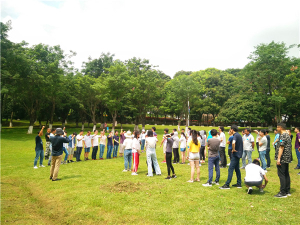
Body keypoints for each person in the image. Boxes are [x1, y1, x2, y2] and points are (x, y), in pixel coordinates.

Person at [220, 125, 243, 189]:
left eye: (230, 129)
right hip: (238, 154)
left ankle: (227, 184)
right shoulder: (239, 135)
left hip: (235, 155)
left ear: (232, 129)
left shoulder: (235, 135)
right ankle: (239, 183)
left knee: (230, 169)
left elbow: (233, 143)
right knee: (237, 169)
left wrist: (233, 149)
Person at [274, 123, 292, 198]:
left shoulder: (283, 135)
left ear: (280, 128)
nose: (276, 129)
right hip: (287, 158)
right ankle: (287, 190)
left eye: (277, 127)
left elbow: (281, 147)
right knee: (286, 174)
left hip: (283, 158)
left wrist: (278, 158)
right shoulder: (287, 135)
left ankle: (283, 192)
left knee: (281, 174)